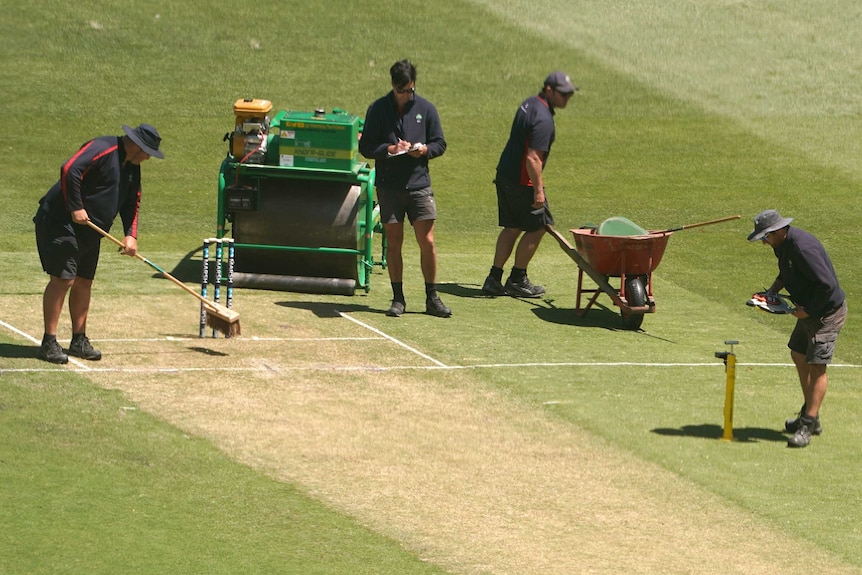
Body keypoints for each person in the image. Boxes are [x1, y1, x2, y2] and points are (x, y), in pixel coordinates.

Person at [34, 124, 164, 364]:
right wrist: (75, 206)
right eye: (147, 152)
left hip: (91, 231)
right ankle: (49, 342)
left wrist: (130, 235)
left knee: (84, 281)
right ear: (136, 145)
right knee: (63, 279)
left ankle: (78, 340)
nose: (147, 157)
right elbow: (70, 169)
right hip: (61, 221)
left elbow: (132, 200)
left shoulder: (132, 167)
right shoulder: (103, 147)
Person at [360, 59, 451, 318]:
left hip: (419, 184)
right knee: (394, 243)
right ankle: (398, 298)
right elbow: (366, 147)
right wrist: (390, 149)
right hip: (389, 186)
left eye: (410, 90)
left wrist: (424, 150)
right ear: (392, 85)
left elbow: (440, 143)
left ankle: (432, 297)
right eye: (401, 91)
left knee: (428, 242)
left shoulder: (426, 108)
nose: (406, 95)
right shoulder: (378, 109)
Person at [748, 209, 847, 448]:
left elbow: (827, 286)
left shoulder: (804, 249)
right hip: (809, 310)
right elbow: (786, 273)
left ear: (779, 230)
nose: (763, 242)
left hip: (826, 313)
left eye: (765, 237)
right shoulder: (781, 245)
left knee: (817, 365)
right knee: (798, 354)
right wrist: (769, 294)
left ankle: (809, 423)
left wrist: (808, 311)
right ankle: (810, 412)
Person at [482, 71, 577, 298]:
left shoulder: (529, 104)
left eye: (569, 94)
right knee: (539, 226)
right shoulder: (543, 119)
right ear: (549, 90)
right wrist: (539, 190)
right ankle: (517, 278)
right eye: (563, 94)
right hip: (521, 181)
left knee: (513, 226)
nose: (567, 98)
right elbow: (533, 158)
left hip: (505, 174)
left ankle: (494, 278)